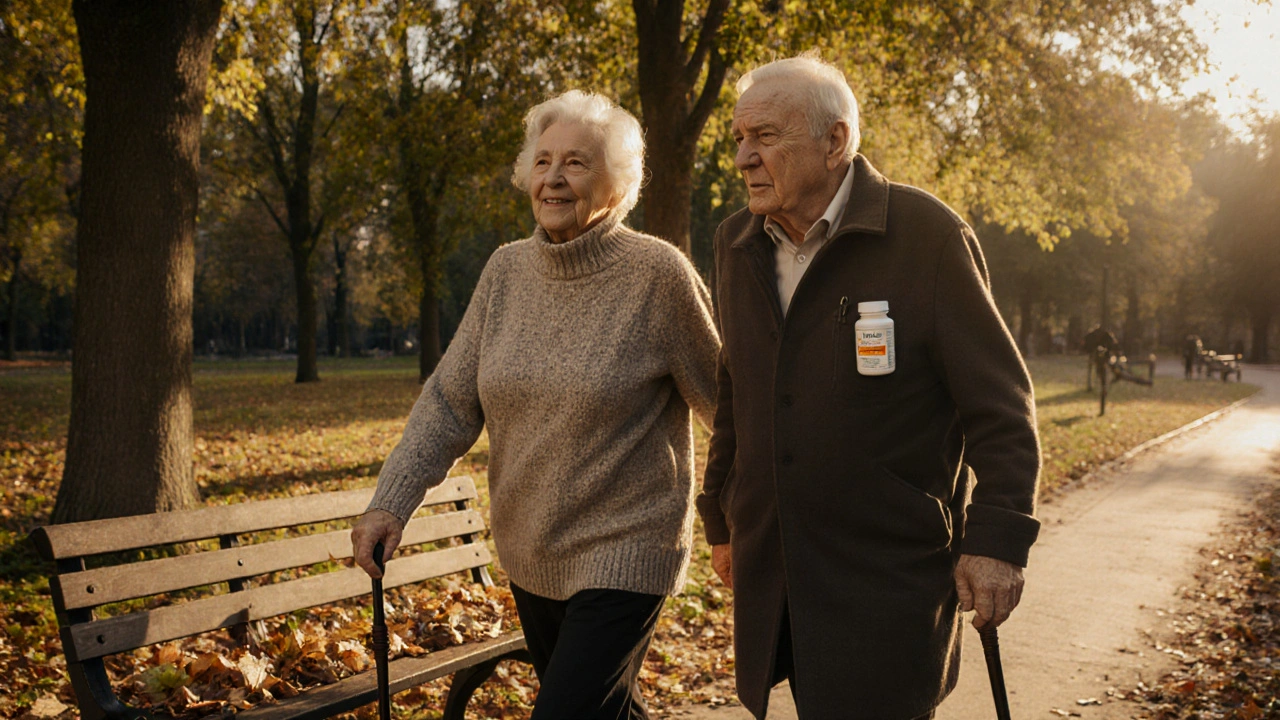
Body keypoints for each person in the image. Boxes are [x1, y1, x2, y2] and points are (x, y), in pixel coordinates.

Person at [350, 90, 719, 720]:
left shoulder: (658, 275)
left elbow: (727, 408)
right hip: (531, 552)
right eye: (543, 162)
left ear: (616, 183)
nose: (552, 178)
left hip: (629, 552)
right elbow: (449, 403)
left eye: (575, 162)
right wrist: (391, 502)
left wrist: (740, 520)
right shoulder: (505, 273)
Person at [696, 54, 1042, 719]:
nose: (742, 158)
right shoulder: (735, 242)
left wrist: (997, 541)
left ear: (834, 141)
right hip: (778, 568)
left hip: (887, 575)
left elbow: (1000, 407)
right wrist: (723, 515)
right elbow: (737, 389)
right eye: (738, 138)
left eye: (764, 136)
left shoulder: (927, 236)